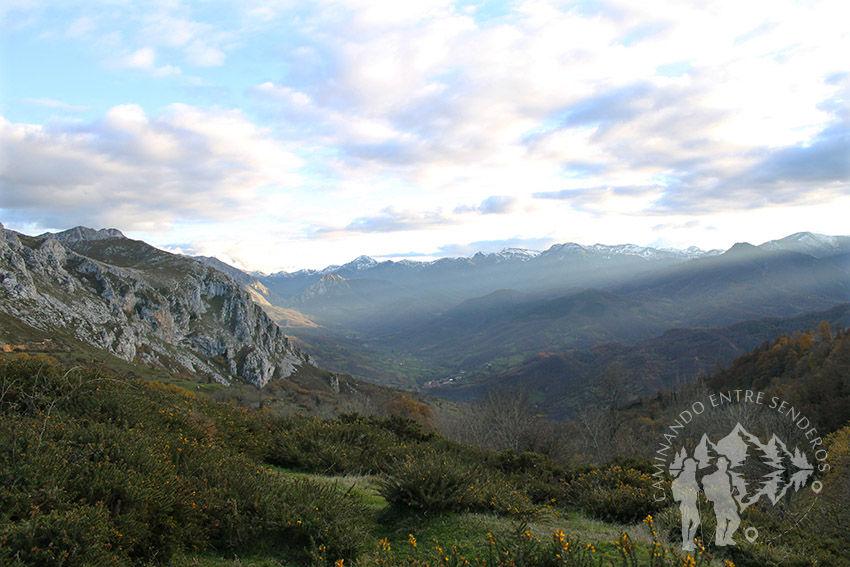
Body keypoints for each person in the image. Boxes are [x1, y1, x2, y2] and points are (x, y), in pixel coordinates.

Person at [701, 456, 740, 545]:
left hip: (727, 503)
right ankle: (720, 541)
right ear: (718, 465)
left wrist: (732, 492)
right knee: (722, 522)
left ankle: (726, 538)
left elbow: (725, 492)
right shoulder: (715, 477)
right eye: (722, 464)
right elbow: (718, 492)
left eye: (725, 464)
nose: (724, 466)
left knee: (734, 520)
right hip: (720, 503)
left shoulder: (726, 476)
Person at [671, 457, 700, 551]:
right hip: (685, 504)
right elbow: (677, 490)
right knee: (686, 524)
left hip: (692, 504)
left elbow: (695, 487)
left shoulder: (692, 477)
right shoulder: (682, 477)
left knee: (696, 522)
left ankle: (690, 541)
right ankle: (685, 544)